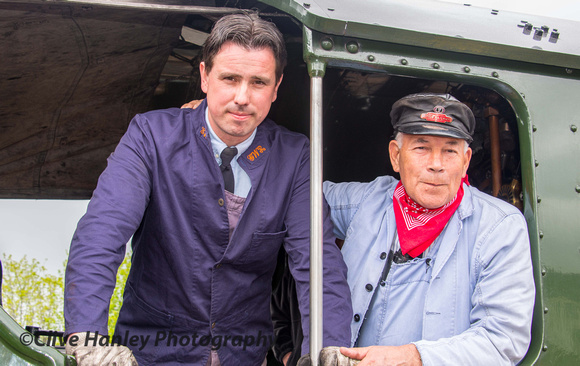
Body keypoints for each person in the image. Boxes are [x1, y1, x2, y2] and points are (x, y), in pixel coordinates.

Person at [64, 12, 352, 366]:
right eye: (229, 78)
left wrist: (330, 349)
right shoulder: (150, 136)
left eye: (258, 82)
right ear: (204, 76)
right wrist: (87, 337)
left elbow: (317, 263)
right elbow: (102, 234)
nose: (242, 97)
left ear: (276, 87)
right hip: (149, 355)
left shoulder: (295, 157)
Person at [315, 93, 535, 366]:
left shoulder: (500, 226)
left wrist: (414, 357)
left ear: (466, 160)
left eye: (450, 150)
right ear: (396, 156)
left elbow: (502, 340)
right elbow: (297, 199)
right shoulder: (368, 200)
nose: (436, 164)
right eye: (421, 148)